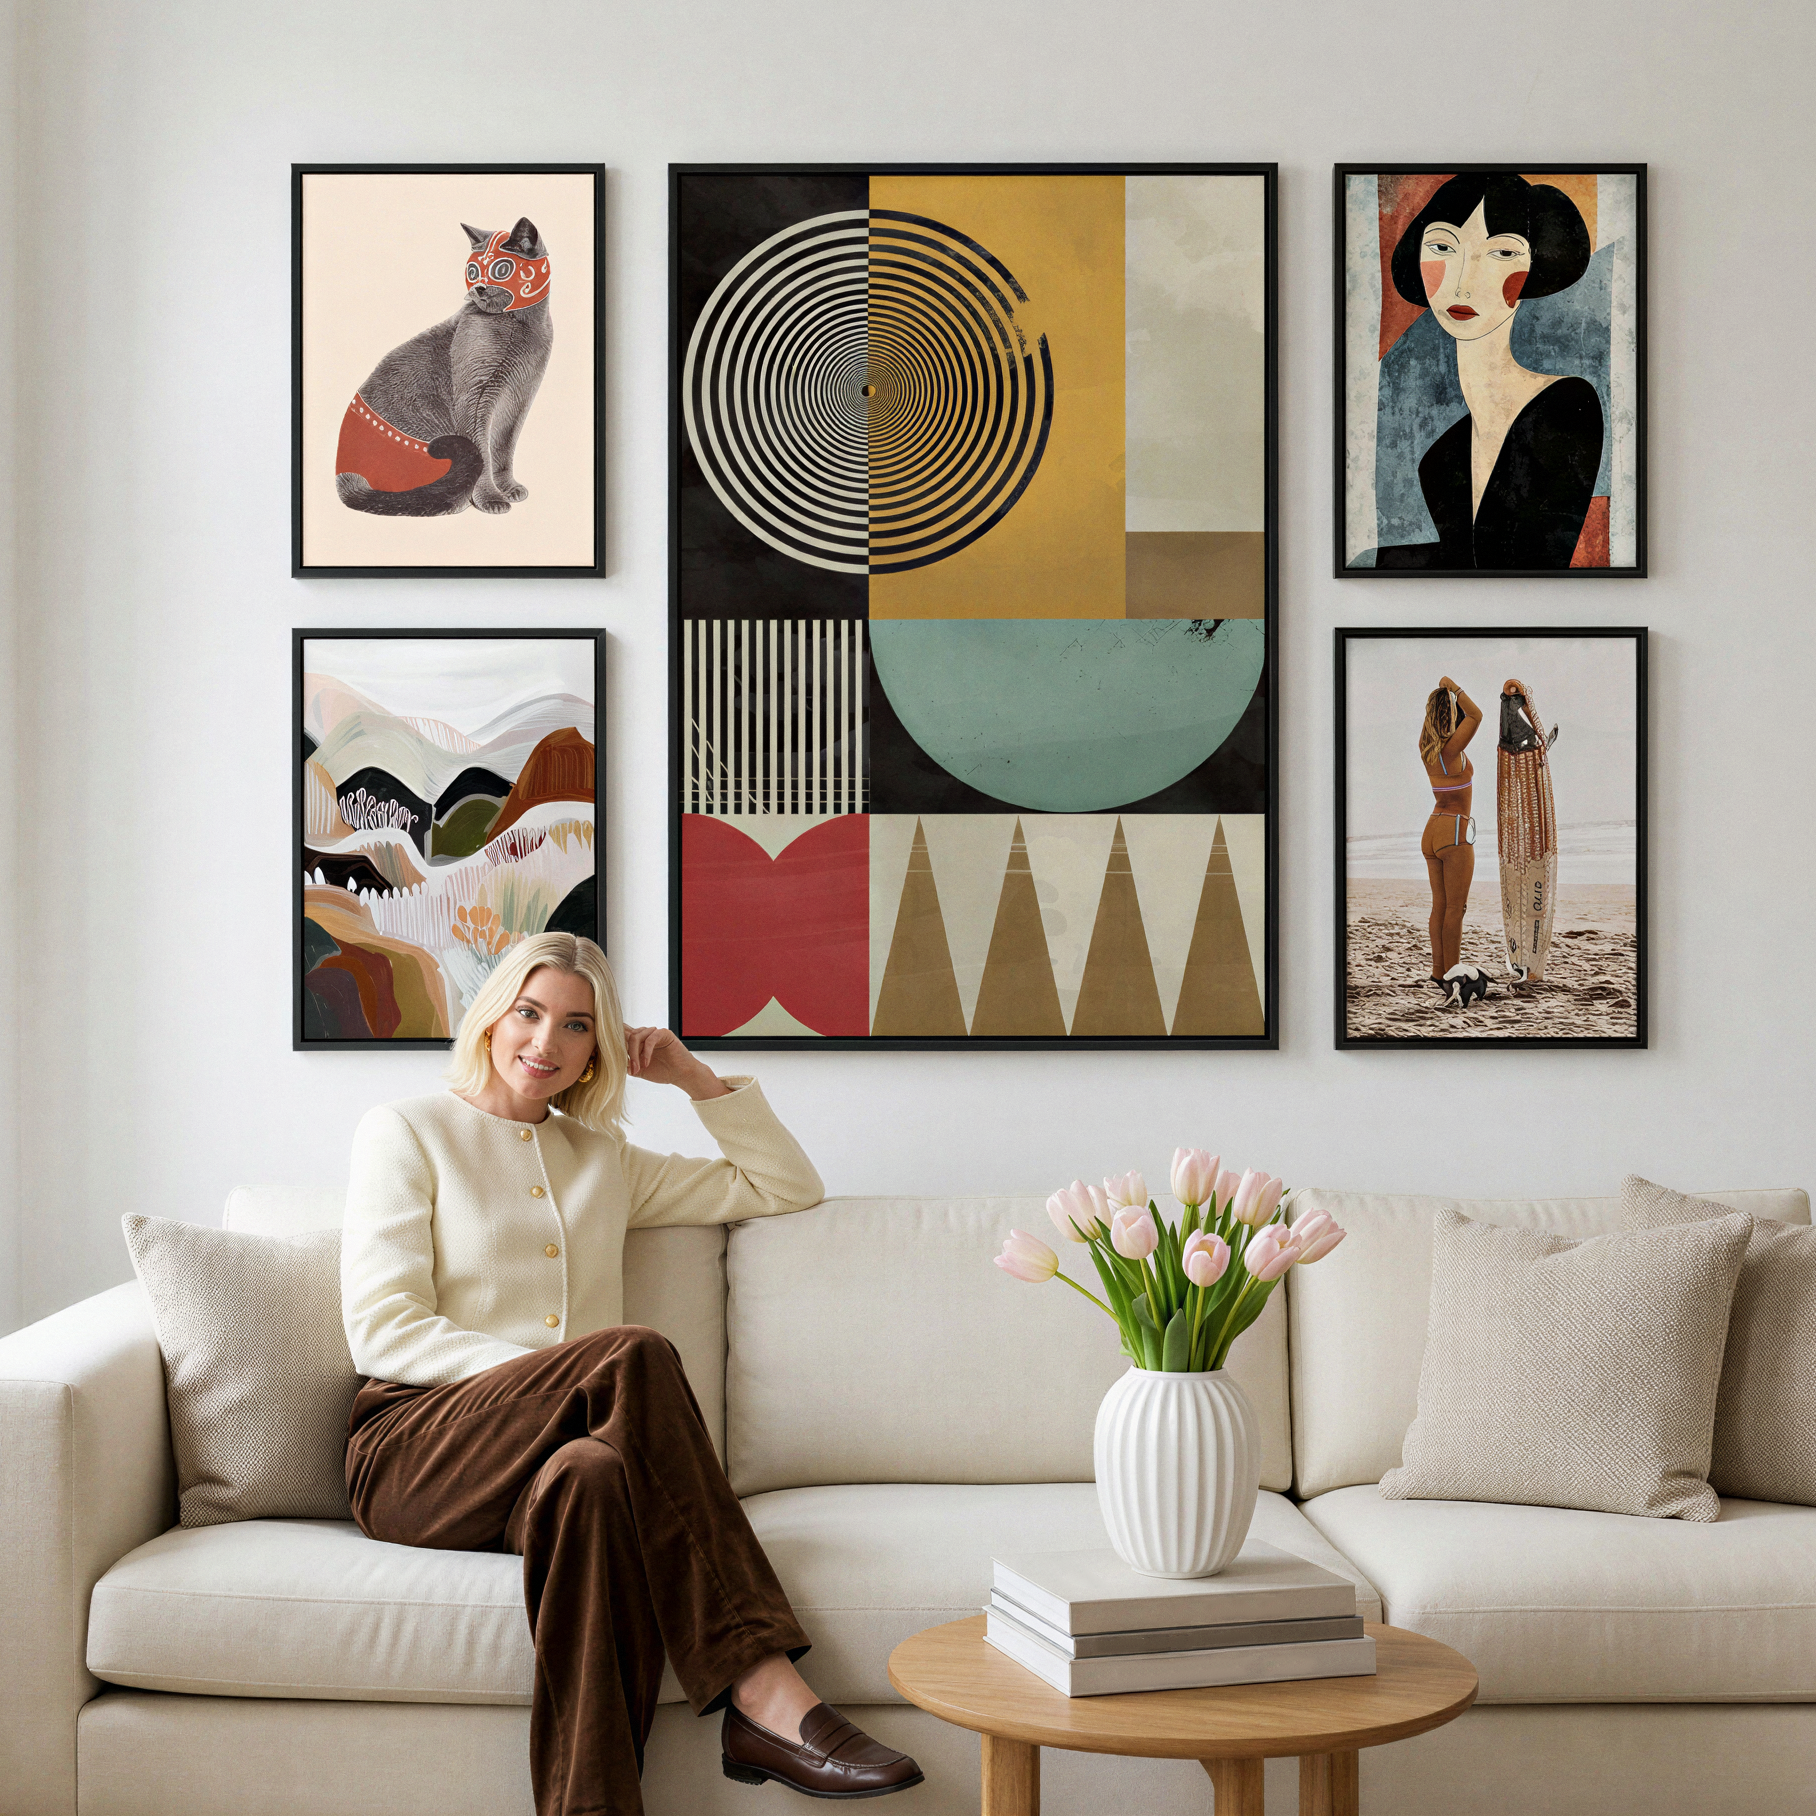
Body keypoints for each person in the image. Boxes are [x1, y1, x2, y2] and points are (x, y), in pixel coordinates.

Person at [339, 932, 923, 1816]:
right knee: (632, 1352)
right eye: (529, 1012)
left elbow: (782, 1187)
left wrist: (695, 1080)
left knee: (596, 1476)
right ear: (493, 1013)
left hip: (551, 1463)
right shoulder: (408, 1130)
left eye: (577, 1025)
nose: (547, 1041)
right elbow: (381, 1326)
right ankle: (763, 1690)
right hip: (419, 1449)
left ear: (598, 1048)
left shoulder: (599, 1159)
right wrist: (562, 1378)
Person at [1376, 173, 1602, 570]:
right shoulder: (1439, 459)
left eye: (1501, 254)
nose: (1464, 284)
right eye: (1443, 246)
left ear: (1535, 266)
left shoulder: (1567, 408)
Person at [1419, 676, 1483, 991]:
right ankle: (1454, 974)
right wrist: (1455, 687)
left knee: (1440, 905)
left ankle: (1438, 972)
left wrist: (1442, 700)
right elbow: (1477, 715)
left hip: (1432, 829)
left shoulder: (1427, 748)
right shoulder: (1451, 749)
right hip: (1454, 830)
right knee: (1456, 908)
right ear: (1451, 714)